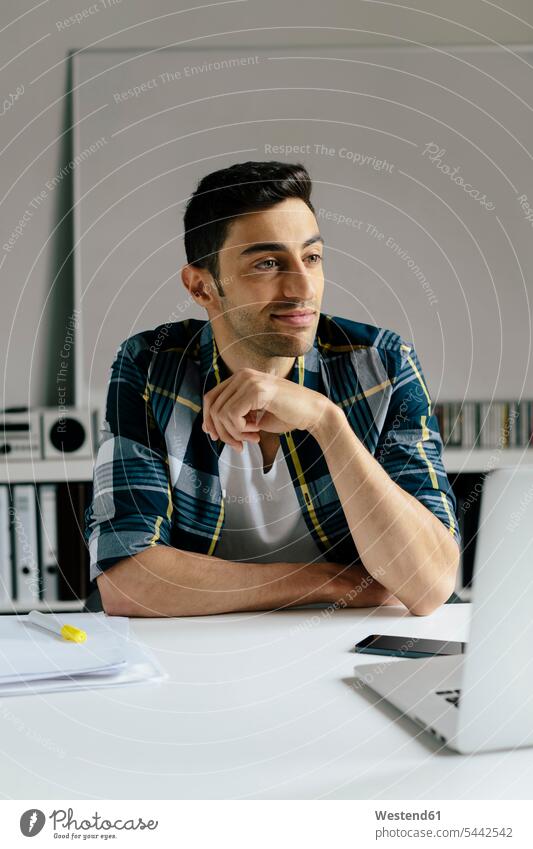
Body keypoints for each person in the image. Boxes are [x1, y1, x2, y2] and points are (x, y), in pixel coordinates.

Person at [84, 160, 460, 618]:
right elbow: (129, 582)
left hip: (350, 646)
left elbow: (429, 584)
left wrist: (327, 422)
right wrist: (328, 582)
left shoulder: (381, 363)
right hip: (201, 656)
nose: (303, 288)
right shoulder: (149, 367)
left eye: (312, 258)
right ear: (202, 287)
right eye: (267, 263)